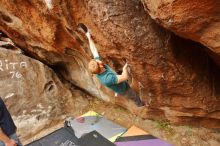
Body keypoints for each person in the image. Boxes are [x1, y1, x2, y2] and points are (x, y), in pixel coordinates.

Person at [77, 24, 145, 107]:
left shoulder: (98, 67)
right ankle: (141, 105)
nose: (99, 61)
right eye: (98, 62)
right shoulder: (108, 78)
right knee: (134, 96)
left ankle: (117, 86)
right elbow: (124, 77)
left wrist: (88, 37)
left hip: (116, 81)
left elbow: (93, 50)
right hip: (123, 89)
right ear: (100, 67)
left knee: (119, 80)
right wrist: (125, 67)